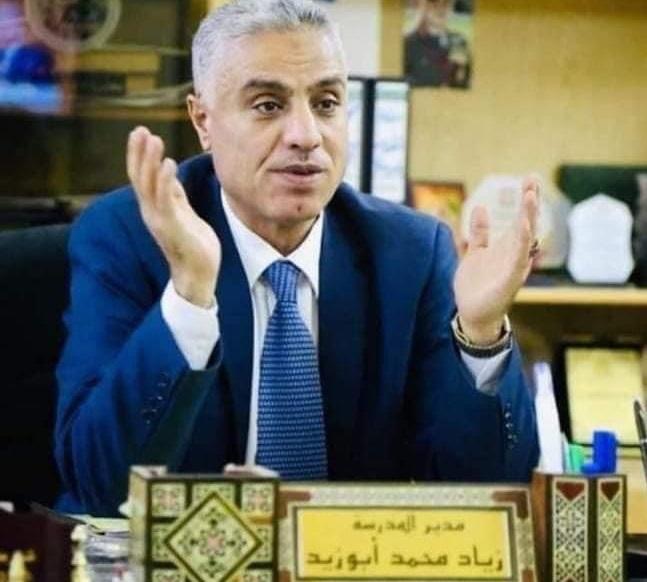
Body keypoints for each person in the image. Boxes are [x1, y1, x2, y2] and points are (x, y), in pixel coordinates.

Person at [55, 0, 539, 517]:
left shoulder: (411, 255)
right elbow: (101, 484)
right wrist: (190, 296)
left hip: (344, 555)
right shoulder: (130, 237)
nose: (306, 136)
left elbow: (486, 493)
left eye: (327, 103)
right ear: (203, 120)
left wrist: (481, 335)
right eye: (268, 105)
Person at [404, 0, 472, 88]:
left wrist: (460, 70)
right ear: (422, 6)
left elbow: (464, 83)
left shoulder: (459, 42)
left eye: (446, 3)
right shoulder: (408, 43)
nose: (441, 9)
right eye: (434, 3)